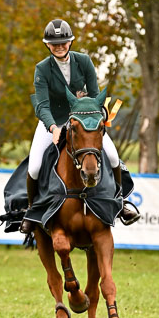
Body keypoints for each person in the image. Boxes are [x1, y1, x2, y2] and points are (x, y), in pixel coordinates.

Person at [20, 18, 140, 233]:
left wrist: (99, 117)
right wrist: (53, 128)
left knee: (112, 157)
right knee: (36, 166)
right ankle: (32, 211)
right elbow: (42, 105)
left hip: (85, 121)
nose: (59, 46)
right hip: (53, 122)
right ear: (47, 45)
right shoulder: (42, 69)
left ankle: (120, 203)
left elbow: (94, 95)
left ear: (70, 43)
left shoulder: (83, 61)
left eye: (63, 42)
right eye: (54, 43)